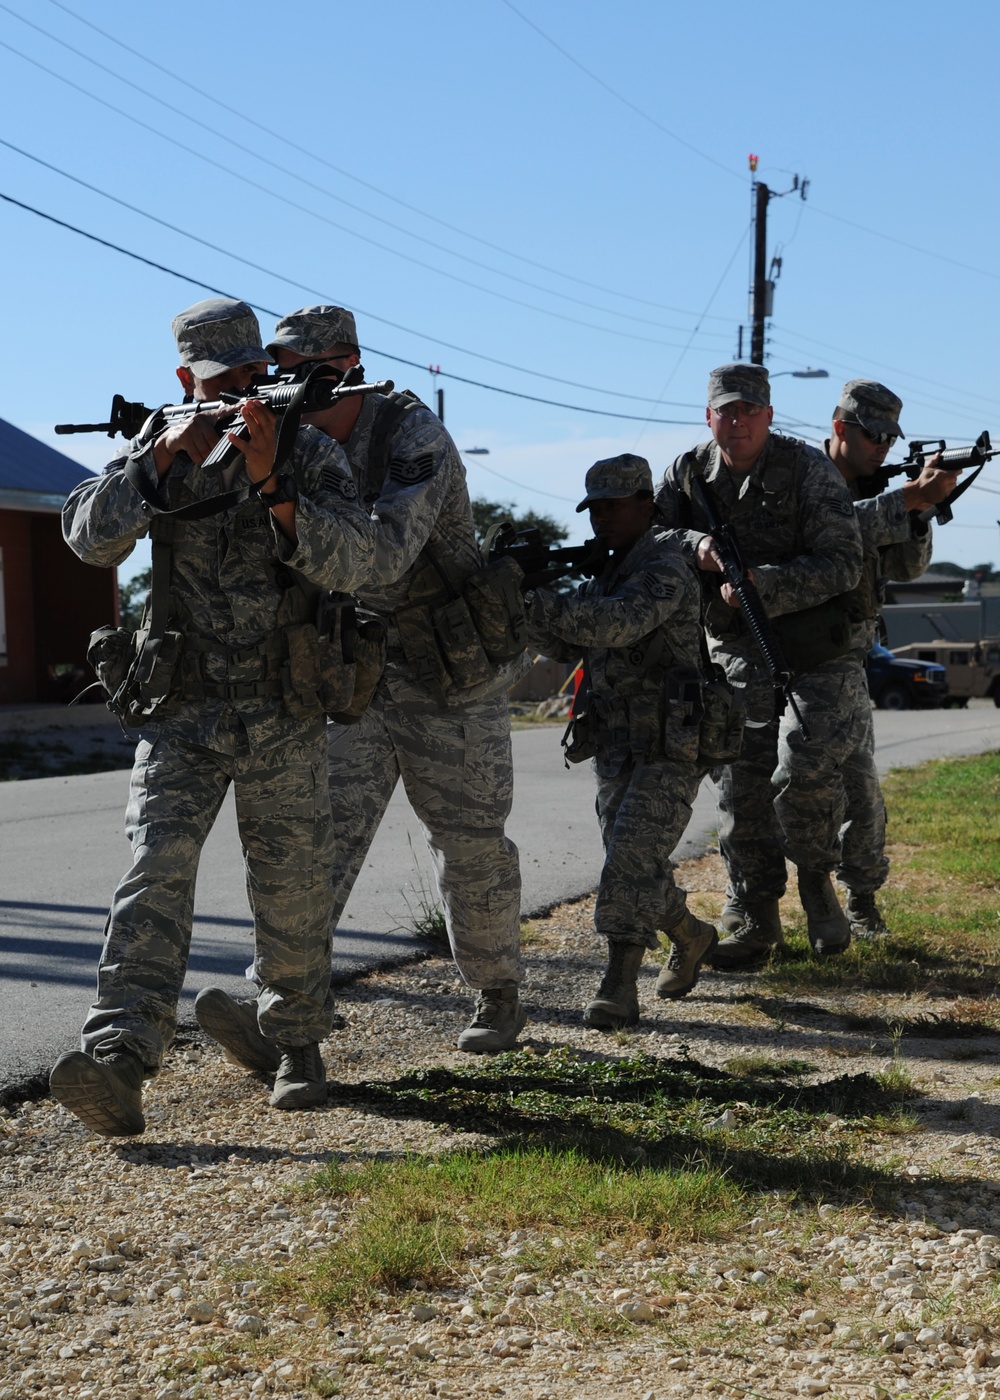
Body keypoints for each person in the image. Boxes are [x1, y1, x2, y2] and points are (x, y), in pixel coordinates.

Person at [49, 298, 375, 1136]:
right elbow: (89, 540)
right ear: (186, 379)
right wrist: (155, 471)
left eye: (251, 373)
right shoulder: (159, 445)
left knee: (293, 886)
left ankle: (298, 1042)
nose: (242, 389)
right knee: (154, 871)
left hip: (283, 704)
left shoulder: (306, 446)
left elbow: (355, 560)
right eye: (222, 378)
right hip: (181, 708)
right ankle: (121, 1057)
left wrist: (273, 482)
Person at [195, 305, 526, 1056]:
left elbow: (381, 559)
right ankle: (284, 1011)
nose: (279, 384)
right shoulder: (293, 439)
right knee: (316, 842)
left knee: (469, 839)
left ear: (344, 367)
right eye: (274, 371)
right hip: (360, 669)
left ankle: (498, 992)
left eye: (297, 371)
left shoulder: (414, 436)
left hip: (449, 665)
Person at [656, 363, 863, 967]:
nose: (738, 421)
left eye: (750, 410)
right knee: (739, 781)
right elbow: (651, 540)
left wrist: (760, 584)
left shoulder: (807, 469)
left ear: (770, 416)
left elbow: (843, 562)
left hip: (816, 650)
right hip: (736, 650)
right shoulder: (689, 473)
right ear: (709, 416)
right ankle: (754, 912)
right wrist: (695, 548)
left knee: (803, 771)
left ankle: (819, 880)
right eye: (727, 410)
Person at [524, 454, 717, 1027]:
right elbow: (570, 645)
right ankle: (691, 934)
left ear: (646, 506)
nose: (602, 518)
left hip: (671, 742)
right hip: (616, 740)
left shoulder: (665, 566)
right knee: (633, 860)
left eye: (614, 506)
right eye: (594, 509)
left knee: (630, 855)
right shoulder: (607, 572)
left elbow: (615, 625)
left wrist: (539, 601)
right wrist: (519, 608)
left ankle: (618, 983)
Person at [825, 379, 958, 937]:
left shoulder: (878, 488)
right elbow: (823, 534)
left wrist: (923, 510)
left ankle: (861, 897)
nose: (881, 445)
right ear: (840, 428)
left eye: (889, 436)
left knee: (860, 786)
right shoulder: (805, 481)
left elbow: (907, 568)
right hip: (775, 652)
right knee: (770, 786)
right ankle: (758, 906)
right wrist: (906, 499)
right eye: (871, 433)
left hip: (846, 658)